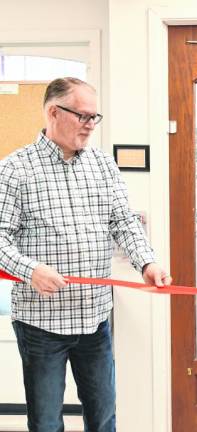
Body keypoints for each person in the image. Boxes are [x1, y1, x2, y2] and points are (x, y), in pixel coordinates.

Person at [0, 77, 171, 432]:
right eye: (83, 116)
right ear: (53, 112)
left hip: (94, 320)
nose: (91, 125)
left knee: (103, 417)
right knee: (46, 423)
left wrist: (147, 262)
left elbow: (123, 221)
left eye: (95, 117)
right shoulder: (14, 170)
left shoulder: (103, 165)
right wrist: (30, 270)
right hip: (40, 324)